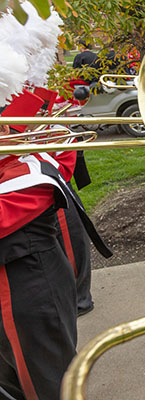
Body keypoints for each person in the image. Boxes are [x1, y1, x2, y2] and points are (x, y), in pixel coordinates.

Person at [0, 117, 78, 399]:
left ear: (5, 129)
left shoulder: (31, 171)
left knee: (48, 384)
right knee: (11, 381)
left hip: (31, 289)